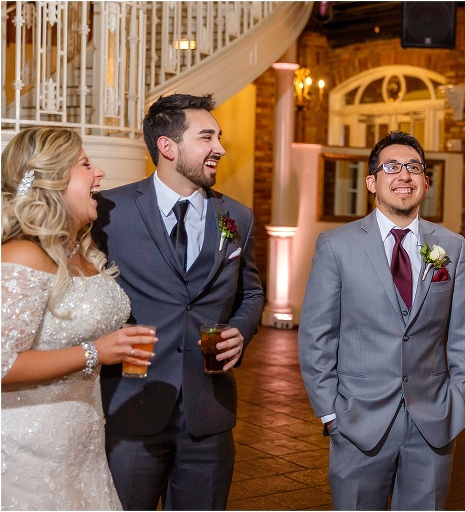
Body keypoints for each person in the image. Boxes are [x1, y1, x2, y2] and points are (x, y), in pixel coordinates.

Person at [92, 93, 265, 510]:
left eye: (219, 137)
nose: (220, 148)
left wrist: (240, 331)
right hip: (132, 406)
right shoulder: (110, 211)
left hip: (209, 414)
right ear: (168, 147)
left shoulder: (236, 217)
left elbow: (252, 293)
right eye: (207, 137)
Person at [298, 131, 465, 510]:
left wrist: (459, 403)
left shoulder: (451, 245)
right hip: (358, 420)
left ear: (425, 183)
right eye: (392, 167)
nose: (405, 176)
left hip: (433, 420)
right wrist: (331, 412)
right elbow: (317, 335)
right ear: (372, 182)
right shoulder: (337, 245)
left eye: (414, 167)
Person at [1, 127, 157, 510]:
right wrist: (95, 351)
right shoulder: (20, 255)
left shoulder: (84, 254)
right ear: (53, 180)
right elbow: (2, 364)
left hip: (82, 443)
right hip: (27, 448)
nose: (100, 173)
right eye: (85, 164)